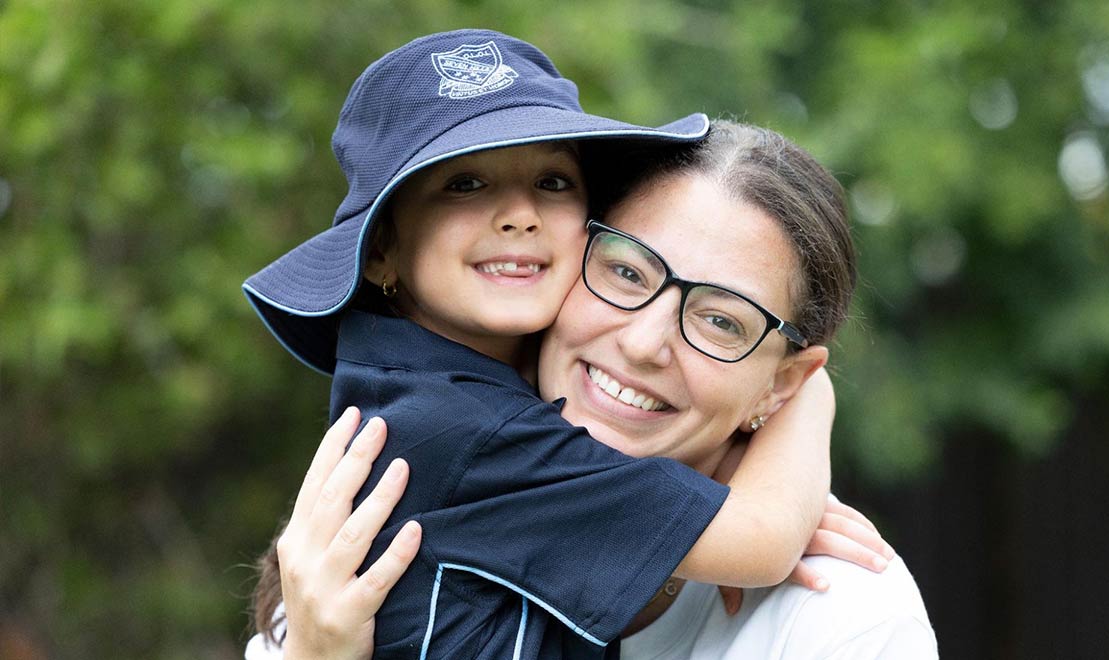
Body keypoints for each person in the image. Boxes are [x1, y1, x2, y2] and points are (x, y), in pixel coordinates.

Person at [243, 30, 853, 660]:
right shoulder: (480, 432)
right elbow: (763, 541)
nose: (519, 214)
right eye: (463, 184)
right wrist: (808, 404)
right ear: (380, 251)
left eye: (554, 181)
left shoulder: (411, 388)